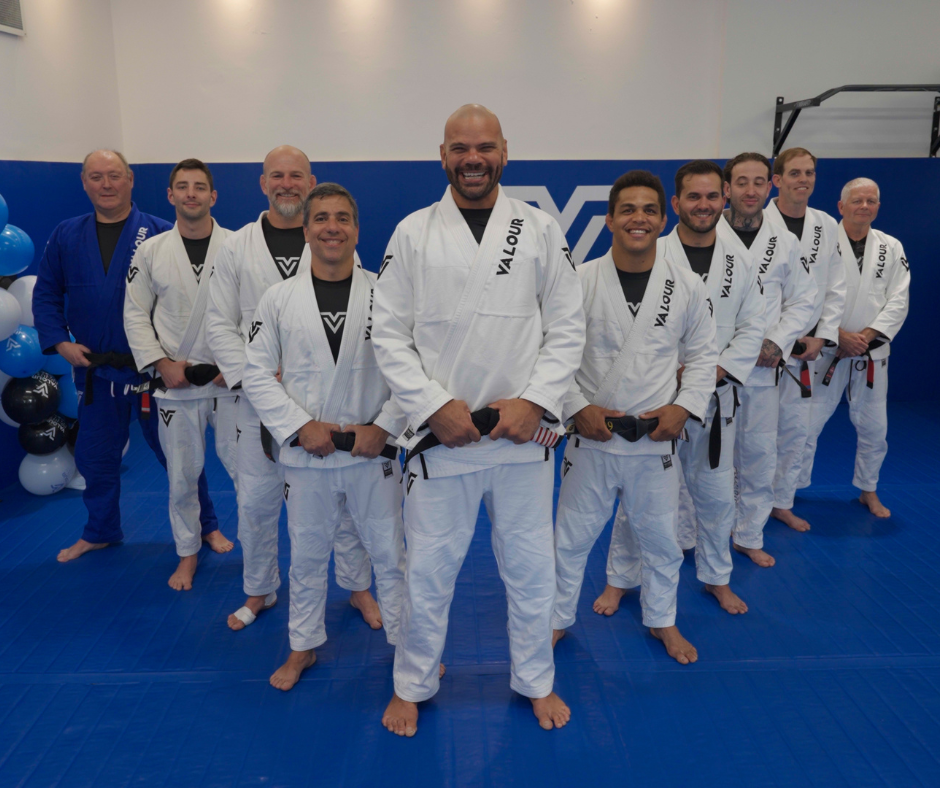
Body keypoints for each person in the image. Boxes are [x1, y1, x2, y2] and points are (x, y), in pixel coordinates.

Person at [372, 105, 585, 735]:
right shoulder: (412, 233)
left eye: (484, 147)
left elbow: (568, 325)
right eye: (460, 148)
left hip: (521, 437)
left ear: (505, 153)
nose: (473, 158)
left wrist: (536, 400)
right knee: (429, 572)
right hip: (445, 441)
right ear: (442, 155)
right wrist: (434, 408)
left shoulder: (540, 229)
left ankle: (536, 680)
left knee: (530, 568)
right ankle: (411, 683)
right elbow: (388, 334)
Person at [206, 146, 381, 630]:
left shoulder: (333, 236)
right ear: (263, 183)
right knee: (255, 501)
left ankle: (358, 587)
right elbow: (219, 324)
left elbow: (346, 325)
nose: (287, 184)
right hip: (257, 398)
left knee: (343, 504)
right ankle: (259, 589)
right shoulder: (236, 247)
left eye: (296, 176)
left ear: (310, 182)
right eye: (277, 176)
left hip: (328, 400)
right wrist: (254, 376)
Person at [242, 183, 407, 690]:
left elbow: (414, 372)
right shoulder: (278, 298)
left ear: (357, 229)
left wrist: (384, 427)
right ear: (307, 230)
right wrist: (298, 426)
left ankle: (410, 650)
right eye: (321, 219)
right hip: (306, 456)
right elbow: (254, 371)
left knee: (391, 554)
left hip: (370, 452)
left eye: (342, 218)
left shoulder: (388, 294)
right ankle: (302, 647)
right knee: (308, 554)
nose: (331, 227)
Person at [553, 170, 717, 665]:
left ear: (663, 220)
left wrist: (684, 407)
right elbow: (549, 356)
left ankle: (662, 619)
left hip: (654, 441)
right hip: (592, 440)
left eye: (648, 210)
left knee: (662, 541)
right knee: (570, 540)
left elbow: (705, 356)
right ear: (609, 219)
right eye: (627, 209)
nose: (638, 218)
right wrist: (575, 408)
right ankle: (557, 620)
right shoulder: (577, 282)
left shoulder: (686, 285)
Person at [32, 149, 221, 563]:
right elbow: (45, 293)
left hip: (153, 370)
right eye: (96, 177)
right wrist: (59, 341)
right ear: (84, 183)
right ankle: (100, 530)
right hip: (97, 371)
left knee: (181, 454)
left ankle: (206, 525)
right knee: (95, 457)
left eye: (114, 175)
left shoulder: (159, 234)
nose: (106, 184)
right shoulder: (66, 234)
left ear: (130, 179)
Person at [598, 161, 763, 618]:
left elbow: (753, 326)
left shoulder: (740, 261)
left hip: (714, 398)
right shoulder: (650, 249)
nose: (704, 205)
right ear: (676, 205)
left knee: (714, 496)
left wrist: (713, 371)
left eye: (712, 197)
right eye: (694, 197)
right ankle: (620, 580)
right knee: (639, 502)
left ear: (723, 200)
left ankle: (716, 577)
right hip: (654, 400)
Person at [124, 159, 238, 590]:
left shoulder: (236, 246)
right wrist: (161, 363)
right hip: (177, 383)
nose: (192, 194)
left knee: (250, 477)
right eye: (183, 187)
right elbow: (135, 314)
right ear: (170, 196)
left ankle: (261, 559)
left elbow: (256, 309)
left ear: (213, 196)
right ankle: (187, 555)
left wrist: (241, 367)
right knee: (181, 478)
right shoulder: (151, 251)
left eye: (200, 187)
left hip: (229, 385)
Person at [716, 152, 817, 568]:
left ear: (769, 185)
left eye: (759, 181)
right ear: (727, 189)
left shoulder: (784, 241)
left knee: (759, 455)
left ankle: (749, 534)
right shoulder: (704, 234)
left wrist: (776, 342)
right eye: (742, 182)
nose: (751, 190)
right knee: (707, 459)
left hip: (762, 369)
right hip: (715, 369)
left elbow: (805, 298)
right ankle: (693, 533)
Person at [797, 178, 909, 517]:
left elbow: (898, 299)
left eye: (871, 200)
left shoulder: (891, 246)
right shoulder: (821, 245)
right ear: (841, 206)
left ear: (878, 206)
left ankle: (868, 490)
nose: (865, 206)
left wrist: (866, 336)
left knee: (875, 427)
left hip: (871, 354)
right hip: (828, 349)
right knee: (806, 424)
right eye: (857, 200)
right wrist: (837, 334)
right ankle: (786, 494)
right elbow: (806, 295)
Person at [765, 148, 846, 533]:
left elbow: (836, 286)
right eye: (795, 172)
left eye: (810, 172)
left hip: (805, 350)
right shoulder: (755, 221)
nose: (804, 179)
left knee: (796, 430)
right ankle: (740, 506)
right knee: (753, 432)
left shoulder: (827, 224)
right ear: (777, 180)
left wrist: (823, 336)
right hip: (761, 349)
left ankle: (781, 501)